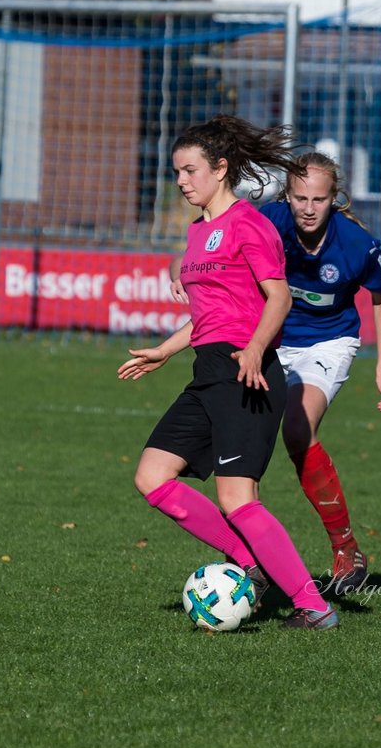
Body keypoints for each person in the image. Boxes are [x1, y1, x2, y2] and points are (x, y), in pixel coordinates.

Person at [118, 115, 339, 630]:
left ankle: (313, 605)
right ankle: (250, 563)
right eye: (176, 172)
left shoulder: (249, 224)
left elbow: (278, 297)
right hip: (209, 370)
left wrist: (254, 349)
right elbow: (209, 317)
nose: (181, 181)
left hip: (249, 372)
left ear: (220, 169)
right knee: (152, 477)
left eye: (190, 170)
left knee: (238, 499)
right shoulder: (197, 234)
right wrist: (166, 351)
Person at [171, 152, 381, 596]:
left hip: (326, 344)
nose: (308, 209)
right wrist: (178, 272)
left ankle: (345, 548)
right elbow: (208, 235)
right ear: (286, 196)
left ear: (335, 198)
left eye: (319, 199)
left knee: (297, 428)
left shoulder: (357, 244)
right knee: (241, 437)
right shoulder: (265, 220)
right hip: (267, 340)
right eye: (299, 198)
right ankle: (248, 555)